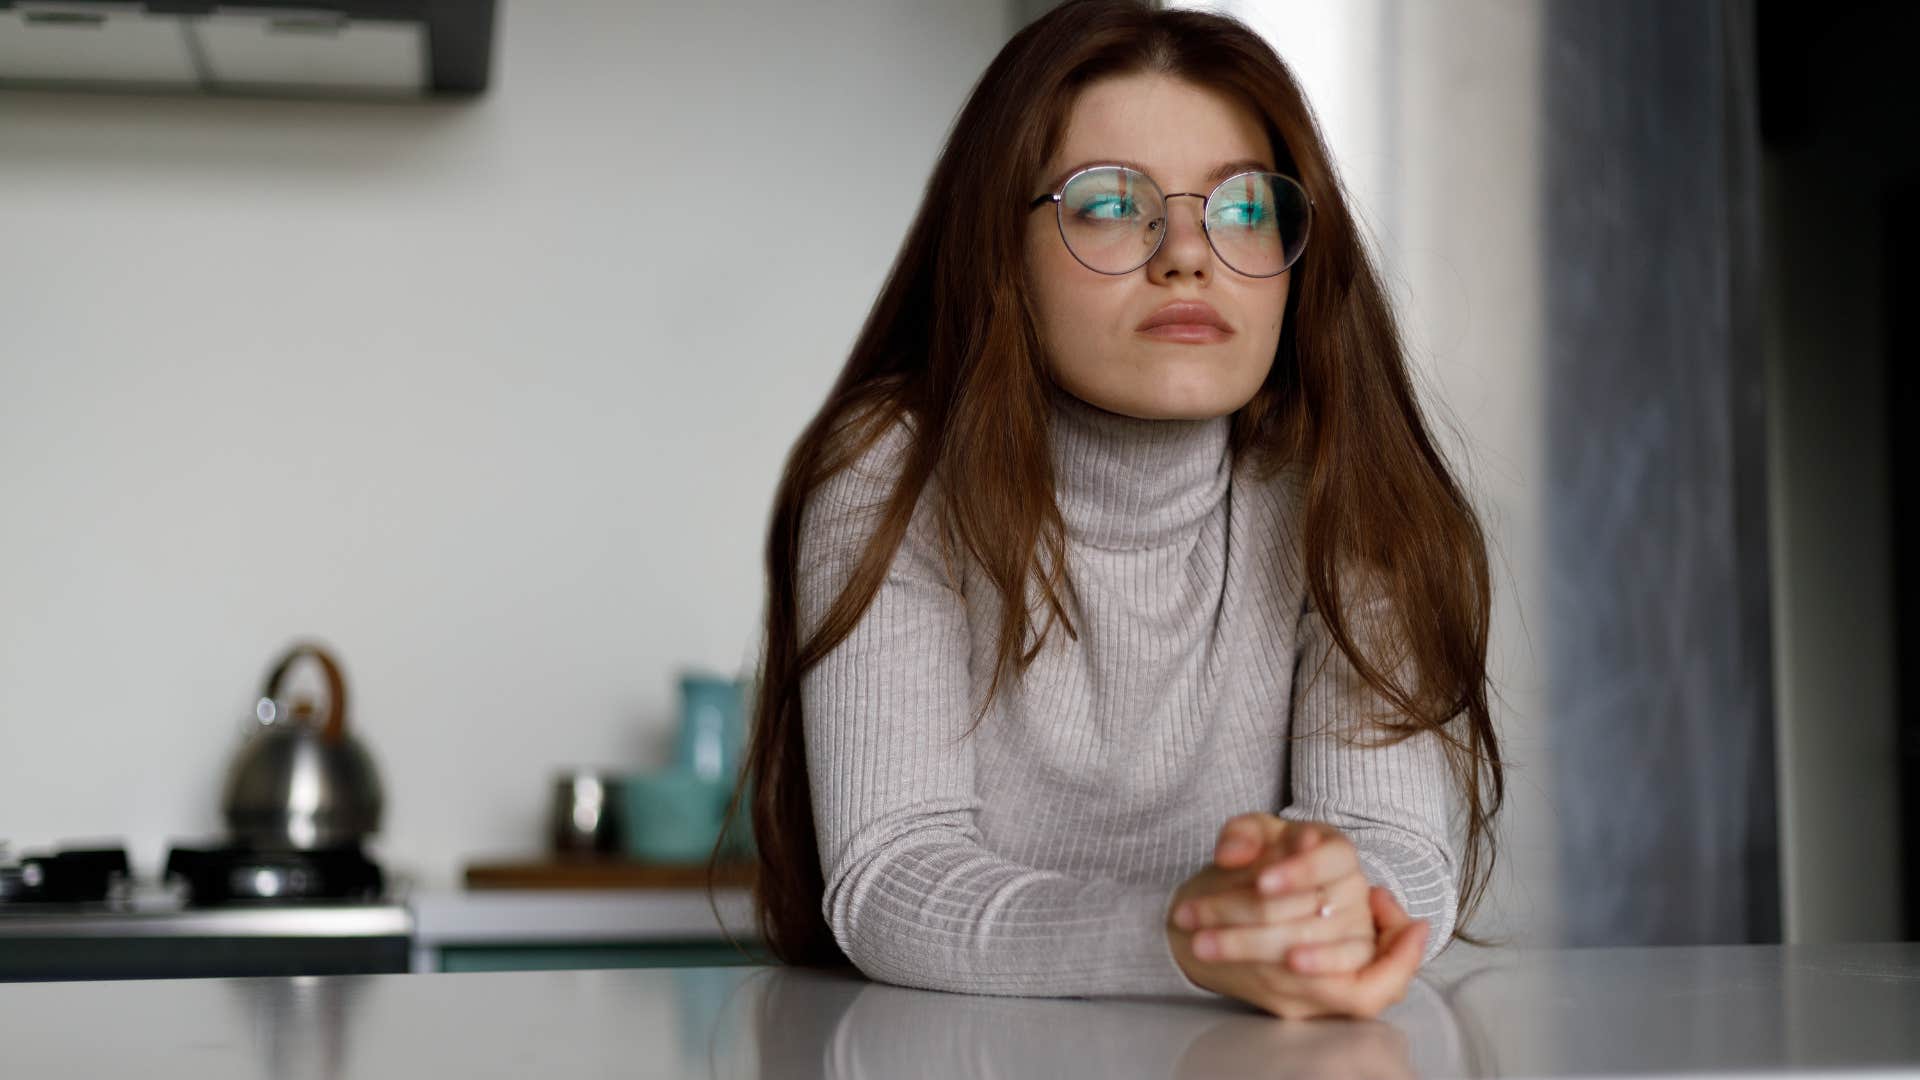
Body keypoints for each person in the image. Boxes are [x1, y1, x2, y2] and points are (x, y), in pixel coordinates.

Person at [728, 0, 1504, 1020]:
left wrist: (1311, 905)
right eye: (1107, 203)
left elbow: (1396, 850)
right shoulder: (890, 473)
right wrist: (1184, 936)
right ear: (998, 250)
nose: (1188, 251)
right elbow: (890, 874)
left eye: (1240, 209)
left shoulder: (1348, 483)